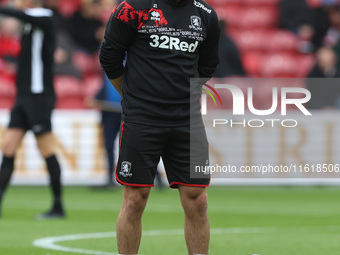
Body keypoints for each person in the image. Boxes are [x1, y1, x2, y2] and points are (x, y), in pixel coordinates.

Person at [99, 0, 220, 254]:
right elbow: (109, 56)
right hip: (142, 118)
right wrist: (132, 96)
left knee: (197, 201)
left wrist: (182, 95)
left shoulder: (206, 14)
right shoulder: (132, 7)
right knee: (134, 200)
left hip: (187, 120)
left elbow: (208, 64)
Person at [0, 0, 65, 219]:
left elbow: (20, 16)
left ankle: (58, 205)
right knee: (8, 147)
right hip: (23, 96)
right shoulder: (30, 22)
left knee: (46, 148)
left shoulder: (44, 17)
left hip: (39, 96)